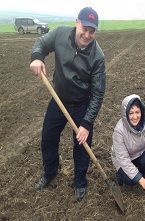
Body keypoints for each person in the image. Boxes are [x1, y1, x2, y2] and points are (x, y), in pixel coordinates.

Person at [30, 7, 106, 201]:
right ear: (77, 22)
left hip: (82, 104)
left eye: (92, 31)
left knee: (82, 143)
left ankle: (80, 181)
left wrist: (87, 123)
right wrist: (37, 57)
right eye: (85, 28)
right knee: (48, 137)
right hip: (59, 99)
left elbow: (98, 93)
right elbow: (41, 43)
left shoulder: (98, 56)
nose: (87, 35)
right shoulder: (60, 34)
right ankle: (50, 172)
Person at [111, 94, 145, 191]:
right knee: (130, 181)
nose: (135, 117)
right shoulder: (119, 130)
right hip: (123, 159)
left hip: (139, 153)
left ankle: (138, 173)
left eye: (137, 112)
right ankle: (123, 175)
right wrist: (141, 180)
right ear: (125, 114)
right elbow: (123, 159)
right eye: (131, 113)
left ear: (141, 111)